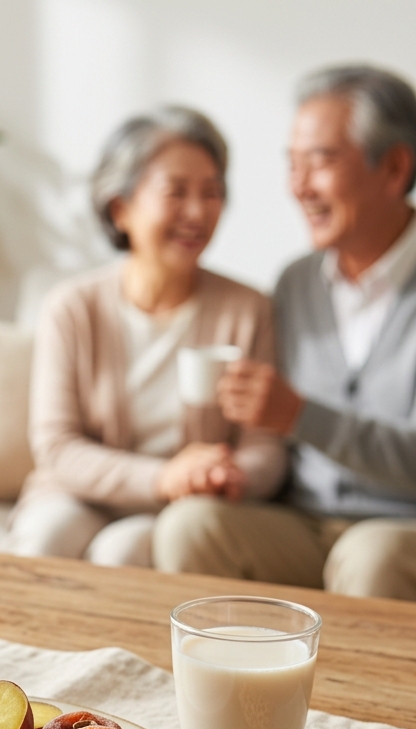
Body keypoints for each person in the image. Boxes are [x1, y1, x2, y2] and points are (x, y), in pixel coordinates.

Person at [154, 66, 416, 599]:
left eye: (320, 161)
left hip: (399, 528)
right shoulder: (297, 283)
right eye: (292, 164)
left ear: (393, 168)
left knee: (370, 557)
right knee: (191, 526)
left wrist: (302, 416)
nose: (298, 187)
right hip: (302, 523)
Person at [5, 107, 286, 565]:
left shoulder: (249, 310)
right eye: (176, 192)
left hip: (182, 509)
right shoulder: (73, 307)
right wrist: (163, 475)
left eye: (212, 193)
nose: (198, 212)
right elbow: (56, 446)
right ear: (121, 208)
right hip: (77, 494)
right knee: (45, 539)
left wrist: (228, 475)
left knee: (124, 552)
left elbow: (265, 447)